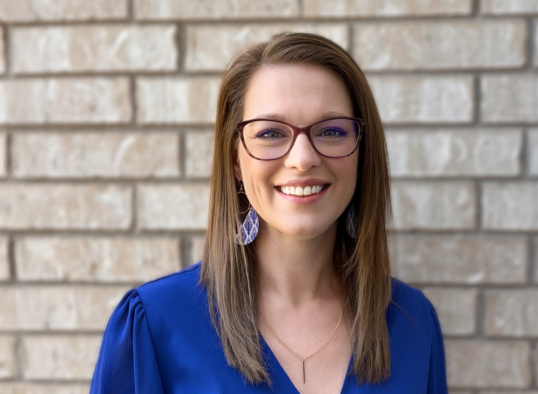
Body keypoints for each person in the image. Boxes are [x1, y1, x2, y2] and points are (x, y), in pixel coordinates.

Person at [90, 32, 447, 394]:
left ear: (361, 153)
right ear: (235, 160)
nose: (303, 158)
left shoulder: (414, 322)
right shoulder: (154, 323)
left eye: (333, 130)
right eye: (271, 133)